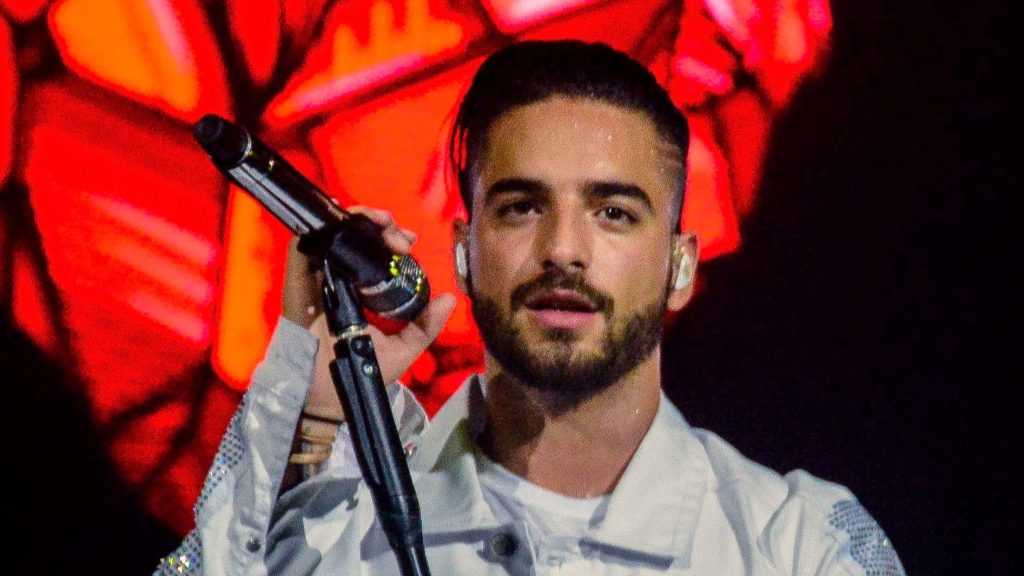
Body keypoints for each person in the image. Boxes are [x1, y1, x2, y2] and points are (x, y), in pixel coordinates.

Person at [156, 40, 905, 575]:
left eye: (613, 213)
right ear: (461, 251)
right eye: (520, 208)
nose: (563, 250)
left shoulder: (801, 547)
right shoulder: (334, 535)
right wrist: (309, 412)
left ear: (681, 265)